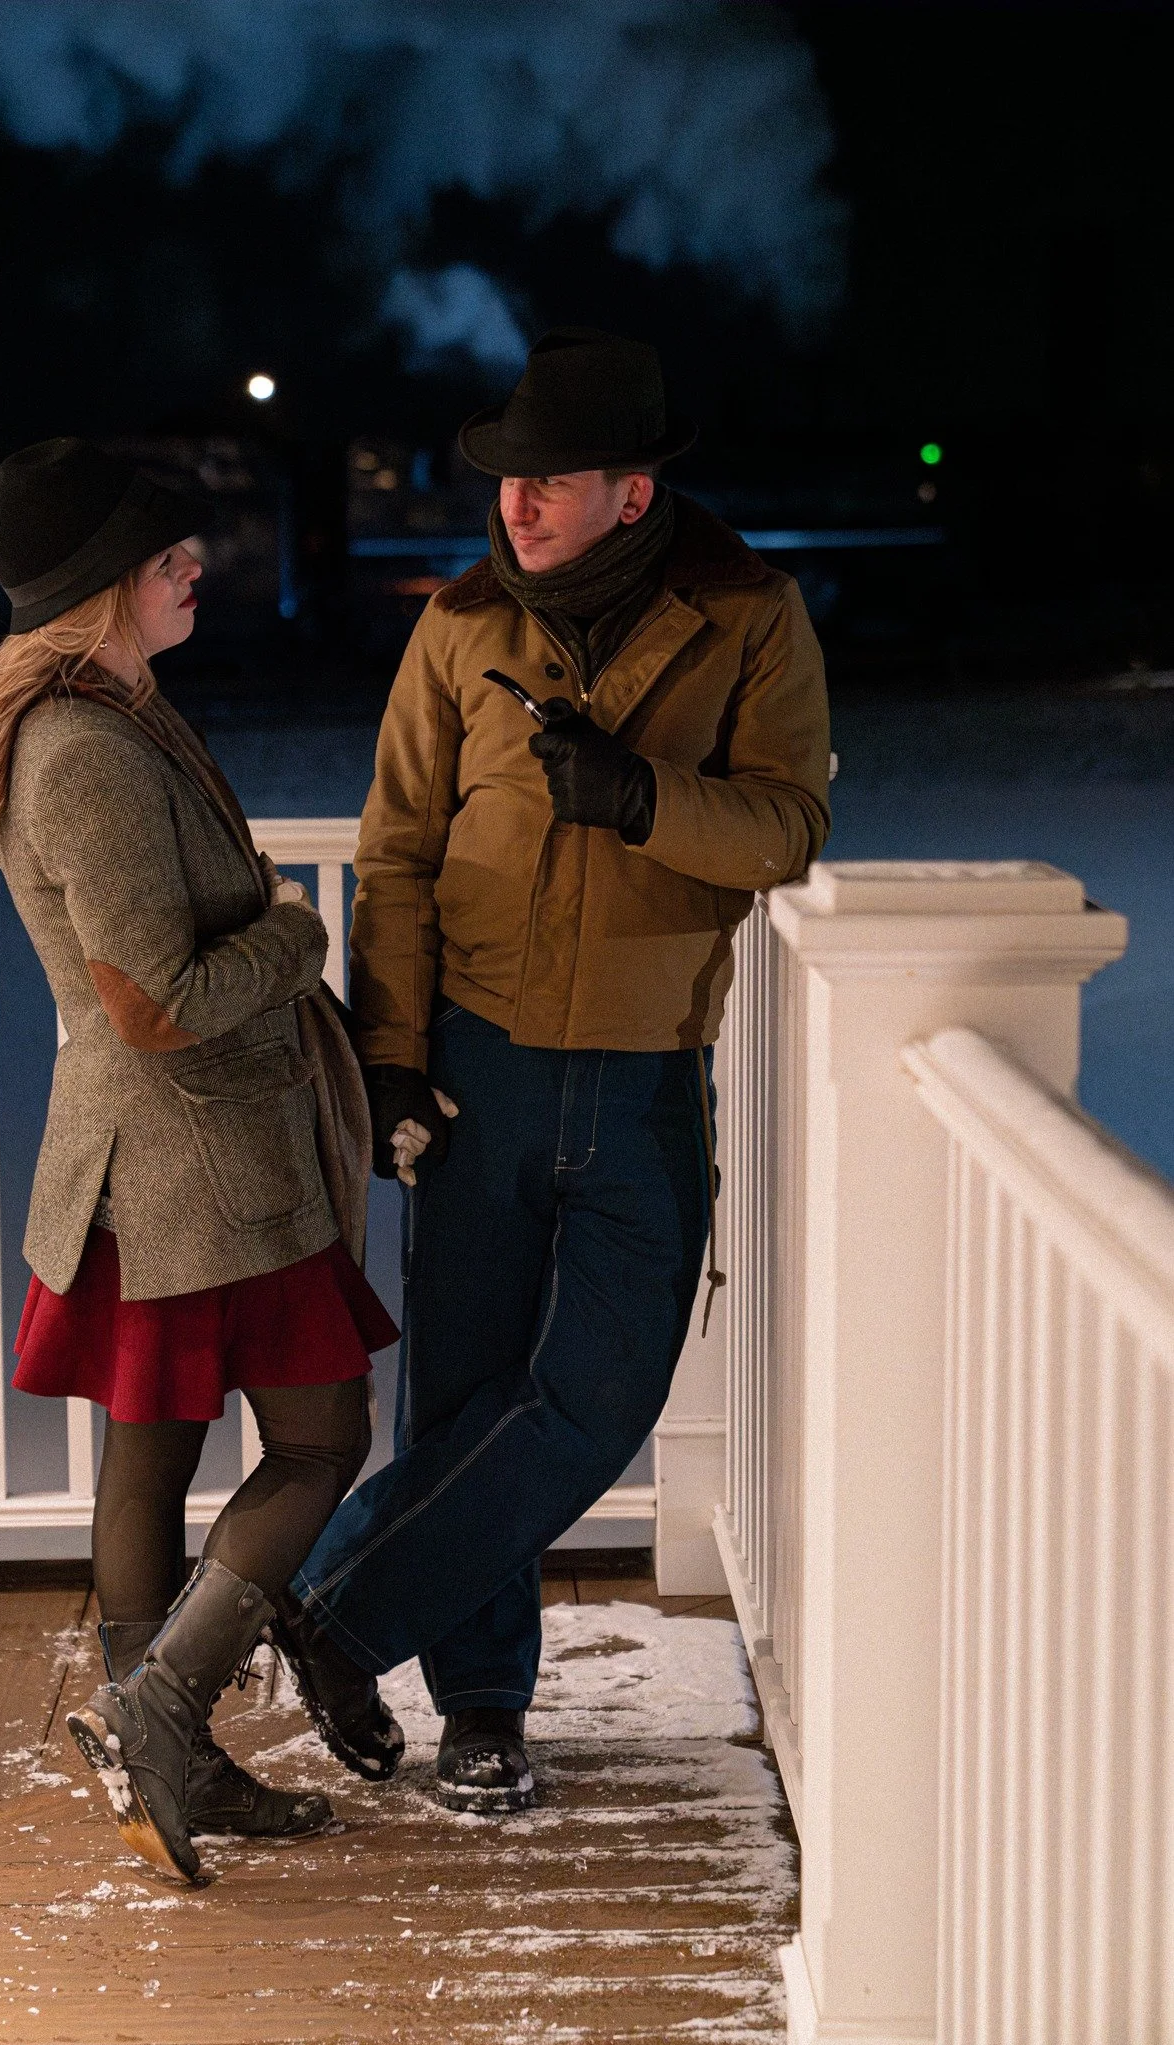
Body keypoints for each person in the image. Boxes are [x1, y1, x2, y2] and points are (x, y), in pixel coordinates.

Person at [267, 328, 831, 1814]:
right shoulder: (459, 625)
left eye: (553, 481)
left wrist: (642, 797)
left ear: (632, 494)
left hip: (644, 1066)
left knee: (594, 1392)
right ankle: (483, 1710)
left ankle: (328, 1611)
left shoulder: (749, 618)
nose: (516, 504)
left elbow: (783, 828)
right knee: (460, 1388)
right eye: (510, 477)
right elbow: (393, 850)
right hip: (479, 1062)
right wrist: (389, 1058)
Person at [0, 438, 399, 1884]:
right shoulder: (84, 750)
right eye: (162, 558)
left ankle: (175, 1764)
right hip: (193, 1159)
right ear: (97, 589)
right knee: (323, 1439)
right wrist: (293, 928)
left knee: (150, 1458)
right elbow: (155, 1007)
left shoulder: (111, 712)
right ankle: (161, 1711)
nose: (190, 567)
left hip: (169, 1166)